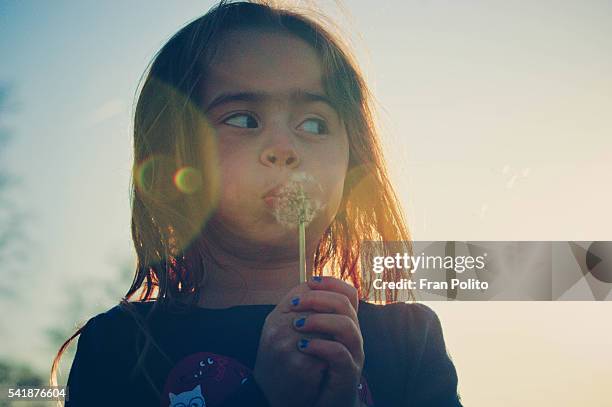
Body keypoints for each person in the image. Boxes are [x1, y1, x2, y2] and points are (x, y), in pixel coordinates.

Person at [51, 1, 463, 406]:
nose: (284, 148)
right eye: (244, 119)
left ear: (352, 160)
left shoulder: (408, 339)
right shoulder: (119, 346)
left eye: (314, 123)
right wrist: (264, 396)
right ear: (176, 157)